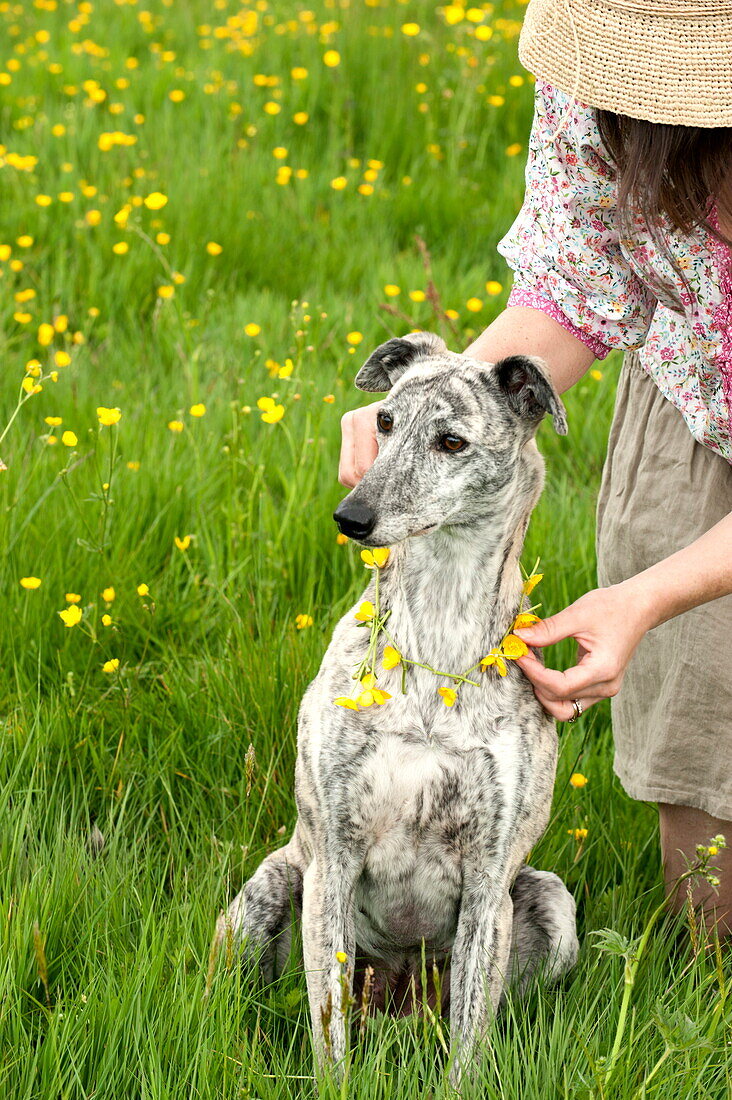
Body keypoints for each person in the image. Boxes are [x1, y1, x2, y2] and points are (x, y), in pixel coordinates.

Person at [338, 0, 732, 934]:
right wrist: (438, 404)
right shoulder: (600, 90)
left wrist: (640, 598)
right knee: (705, 814)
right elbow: (573, 281)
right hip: (697, 405)